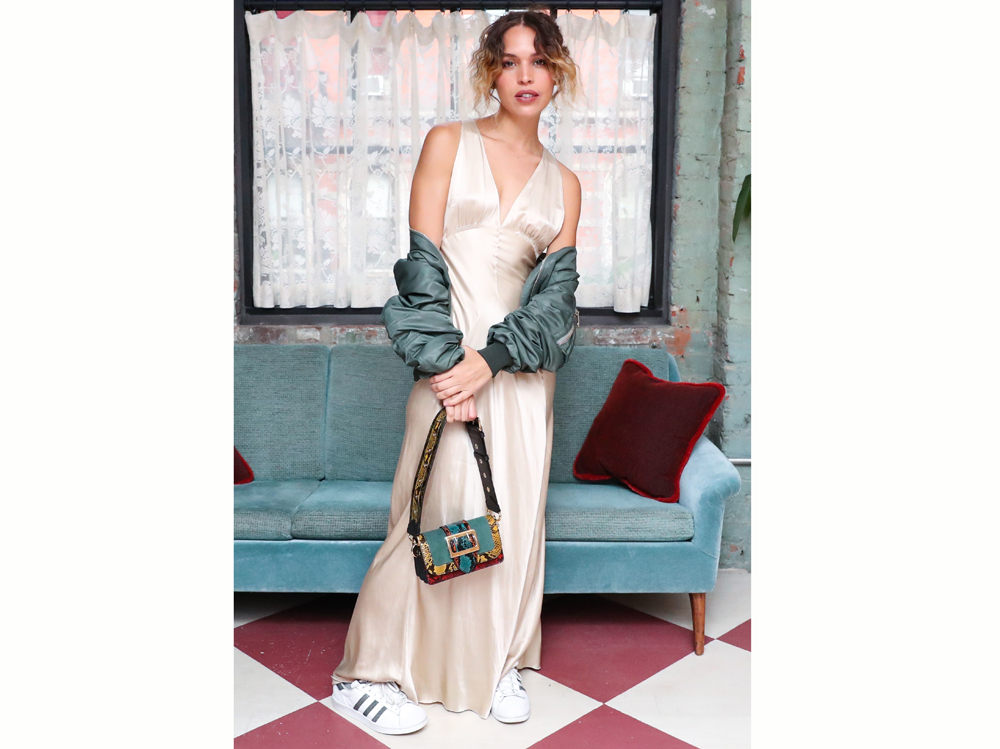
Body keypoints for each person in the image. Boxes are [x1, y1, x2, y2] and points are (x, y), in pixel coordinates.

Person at [329, 7, 583, 734]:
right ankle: (365, 673)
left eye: (539, 60)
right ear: (490, 73)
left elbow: (556, 304)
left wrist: (489, 363)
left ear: (558, 72)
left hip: (519, 379)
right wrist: (451, 370)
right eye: (510, 61)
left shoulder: (566, 185)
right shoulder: (448, 142)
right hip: (446, 373)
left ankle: (497, 661)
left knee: (512, 520)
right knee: (430, 515)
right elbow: (421, 272)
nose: (525, 75)